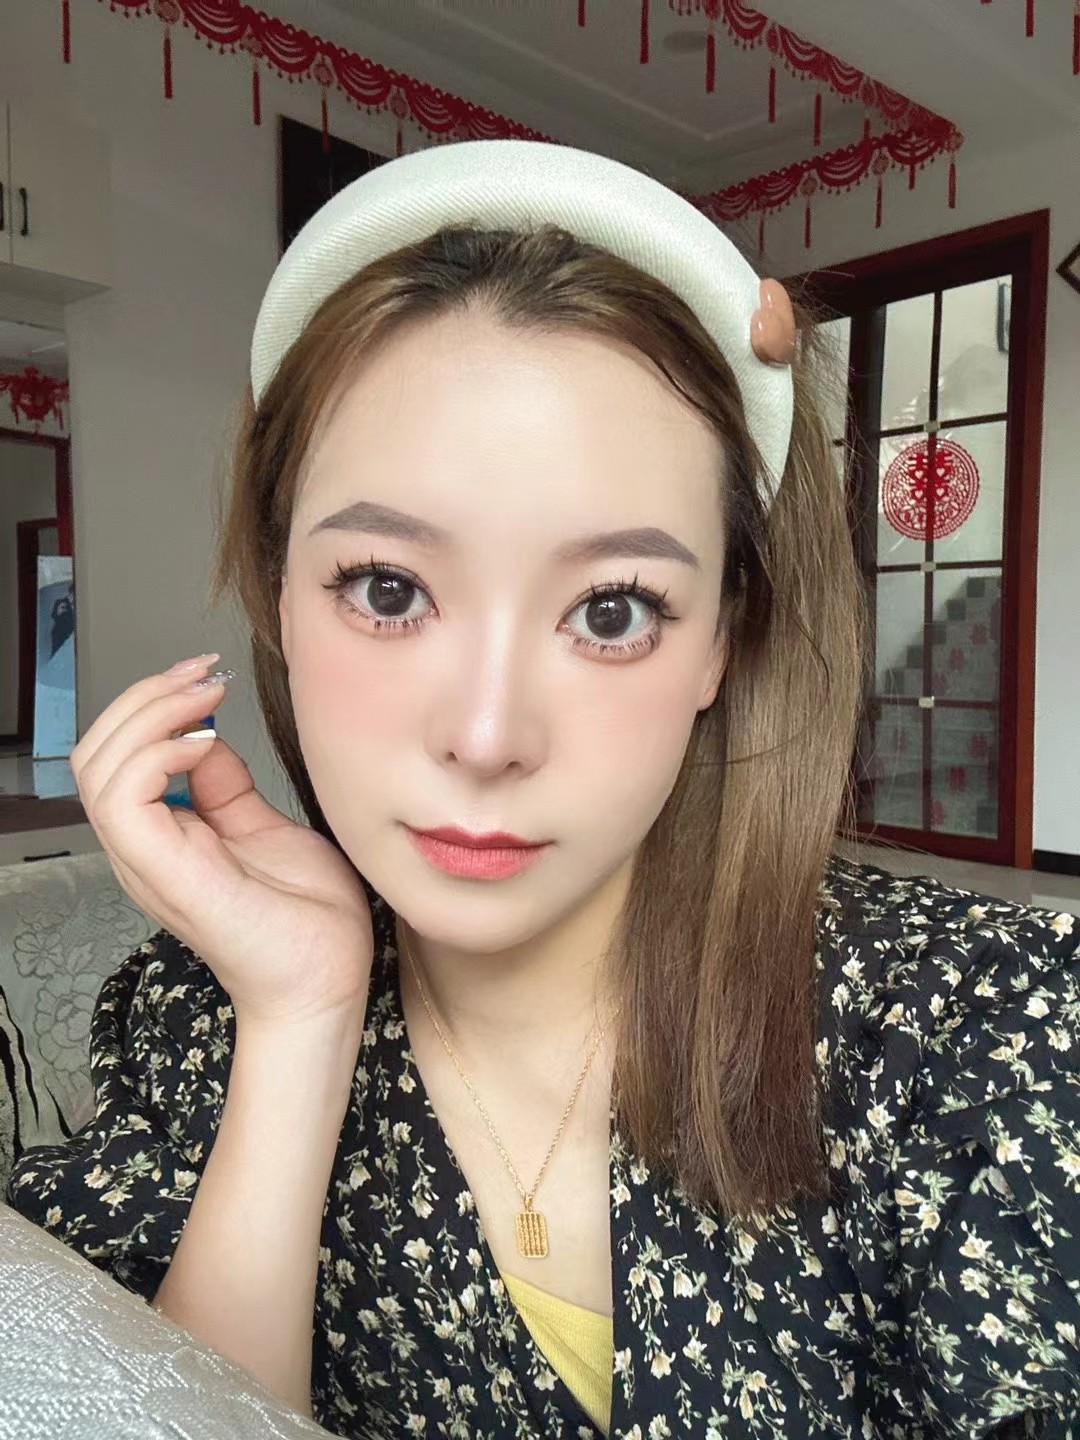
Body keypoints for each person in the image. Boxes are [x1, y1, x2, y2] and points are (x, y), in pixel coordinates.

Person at [5, 140, 1078, 1440]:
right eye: (388, 589)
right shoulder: (201, 1020)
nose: (486, 735)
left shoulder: (983, 1036)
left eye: (612, 609)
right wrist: (297, 1023)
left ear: (722, 640)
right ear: (280, 596)